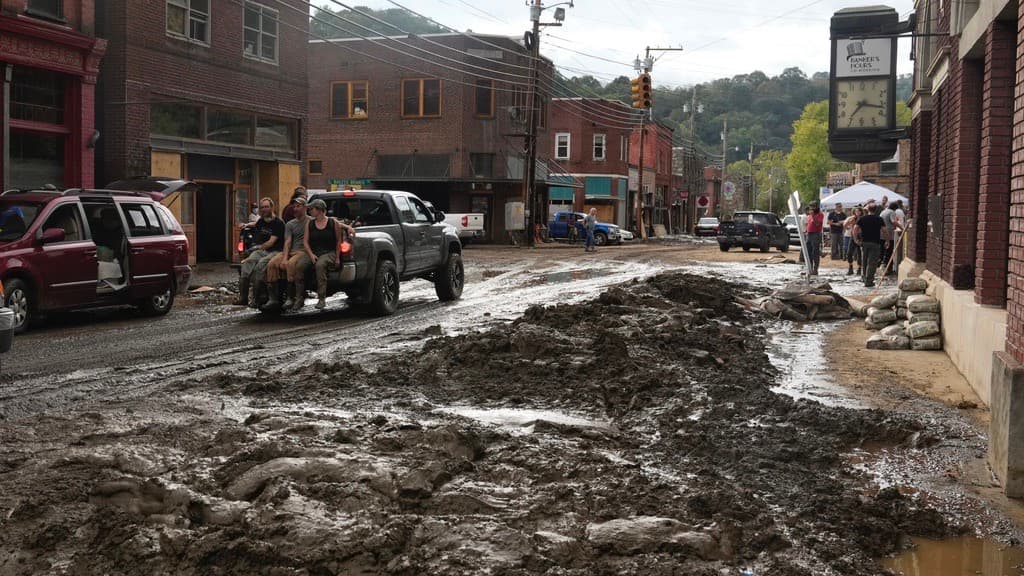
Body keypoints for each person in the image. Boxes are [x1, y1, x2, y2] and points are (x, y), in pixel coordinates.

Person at [302, 198, 355, 309]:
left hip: (329, 253)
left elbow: (338, 241)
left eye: (312, 209)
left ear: (319, 210)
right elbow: (305, 242)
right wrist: (311, 255)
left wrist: (337, 258)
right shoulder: (310, 223)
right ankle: (298, 297)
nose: (310, 211)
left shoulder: (332, 222)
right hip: (314, 252)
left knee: (320, 265)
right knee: (298, 265)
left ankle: (321, 299)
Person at [234, 197, 285, 307]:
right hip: (262, 250)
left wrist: (256, 248)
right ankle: (243, 297)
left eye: (266, 207)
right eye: (262, 207)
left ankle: (257, 299)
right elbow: (256, 224)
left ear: (272, 207)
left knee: (259, 267)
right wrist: (247, 225)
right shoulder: (261, 221)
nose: (264, 209)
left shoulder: (278, 223)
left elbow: (271, 242)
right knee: (247, 263)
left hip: (275, 251)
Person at [262, 197, 311, 311]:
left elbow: (328, 220)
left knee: (291, 265)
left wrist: (347, 227)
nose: (295, 208)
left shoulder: (311, 221)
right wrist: (284, 257)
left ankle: (290, 297)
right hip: (290, 251)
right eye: (294, 206)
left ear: (304, 208)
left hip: (302, 251)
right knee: (272, 264)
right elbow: (287, 242)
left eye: (298, 206)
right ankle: (273, 298)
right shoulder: (290, 224)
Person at [854, 204, 890, 288]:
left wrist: (856, 239)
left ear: (868, 210)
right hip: (875, 242)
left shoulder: (862, 219)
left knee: (864, 261)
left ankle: (864, 278)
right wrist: (887, 240)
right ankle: (869, 281)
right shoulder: (879, 219)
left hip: (864, 242)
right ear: (876, 210)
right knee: (872, 262)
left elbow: (855, 229)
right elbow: (884, 230)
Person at [805, 203, 824, 276]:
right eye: (810, 208)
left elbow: (817, 223)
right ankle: (810, 268)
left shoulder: (820, 215)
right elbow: (809, 224)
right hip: (809, 234)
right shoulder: (809, 215)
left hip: (816, 234)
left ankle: (815, 269)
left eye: (812, 208)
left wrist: (813, 215)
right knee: (808, 251)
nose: (811, 210)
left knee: (815, 252)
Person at [843, 207, 863, 276]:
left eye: (859, 211)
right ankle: (850, 267)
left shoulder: (862, 218)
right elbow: (845, 225)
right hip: (852, 236)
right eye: (856, 211)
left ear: (861, 212)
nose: (857, 213)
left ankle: (859, 268)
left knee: (859, 253)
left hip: (860, 236)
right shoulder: (852, 218)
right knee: (849, 253)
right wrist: (848, 225)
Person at [879, 201, 896, 276]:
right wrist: (902, 227)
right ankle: (888, 268)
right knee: (889, 250)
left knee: (882, 251)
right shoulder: (892, 212)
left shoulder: (883, 211)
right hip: (889, 234)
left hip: (881, 233)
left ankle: (882, 266)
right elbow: (893, 221)